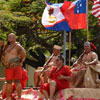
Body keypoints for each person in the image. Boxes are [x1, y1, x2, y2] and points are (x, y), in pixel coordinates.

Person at [1, 33, 26, 100]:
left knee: (17, 81)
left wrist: (20, 62)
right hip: (8, 67)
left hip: (16, 66)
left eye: (10, 37)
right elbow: (2, 55)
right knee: (8, 82)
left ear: (14, 38)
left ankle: (19, 98)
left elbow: (23, 54)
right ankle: (8, 97)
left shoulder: (18, 46)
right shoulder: (7, 46)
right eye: (8, 37)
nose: (8, 38)